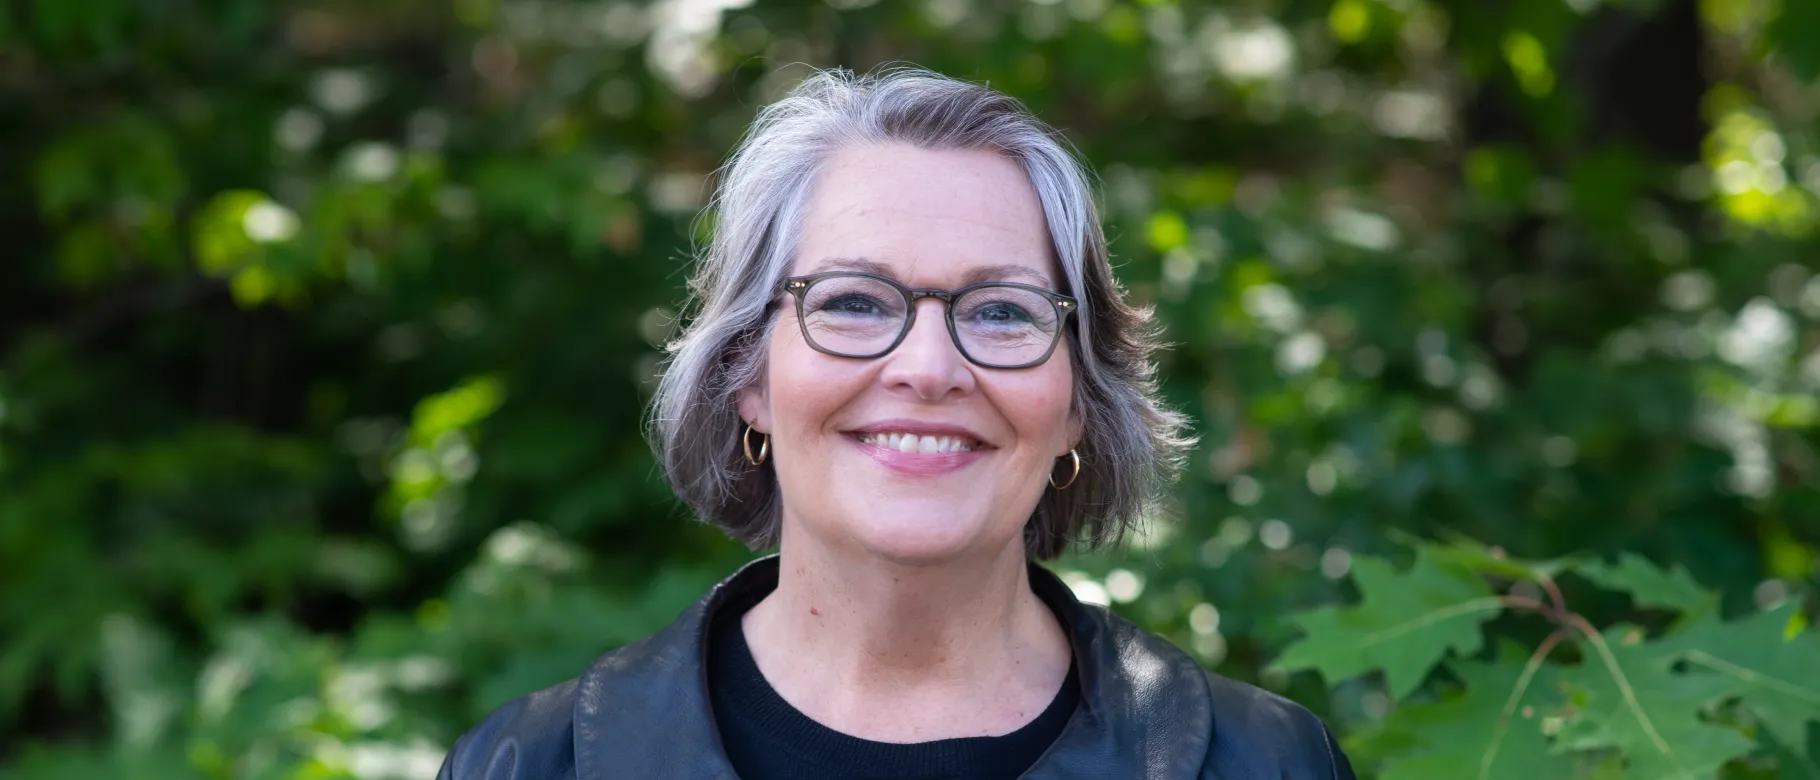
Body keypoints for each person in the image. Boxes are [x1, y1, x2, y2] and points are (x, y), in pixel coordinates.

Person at [436, 66, 1356, 780]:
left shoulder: (1259, 763)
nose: (927, 368)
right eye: (852, 302)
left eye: (1001, 311)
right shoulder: (532, 764)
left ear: (1078, 403)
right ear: (746, 376)